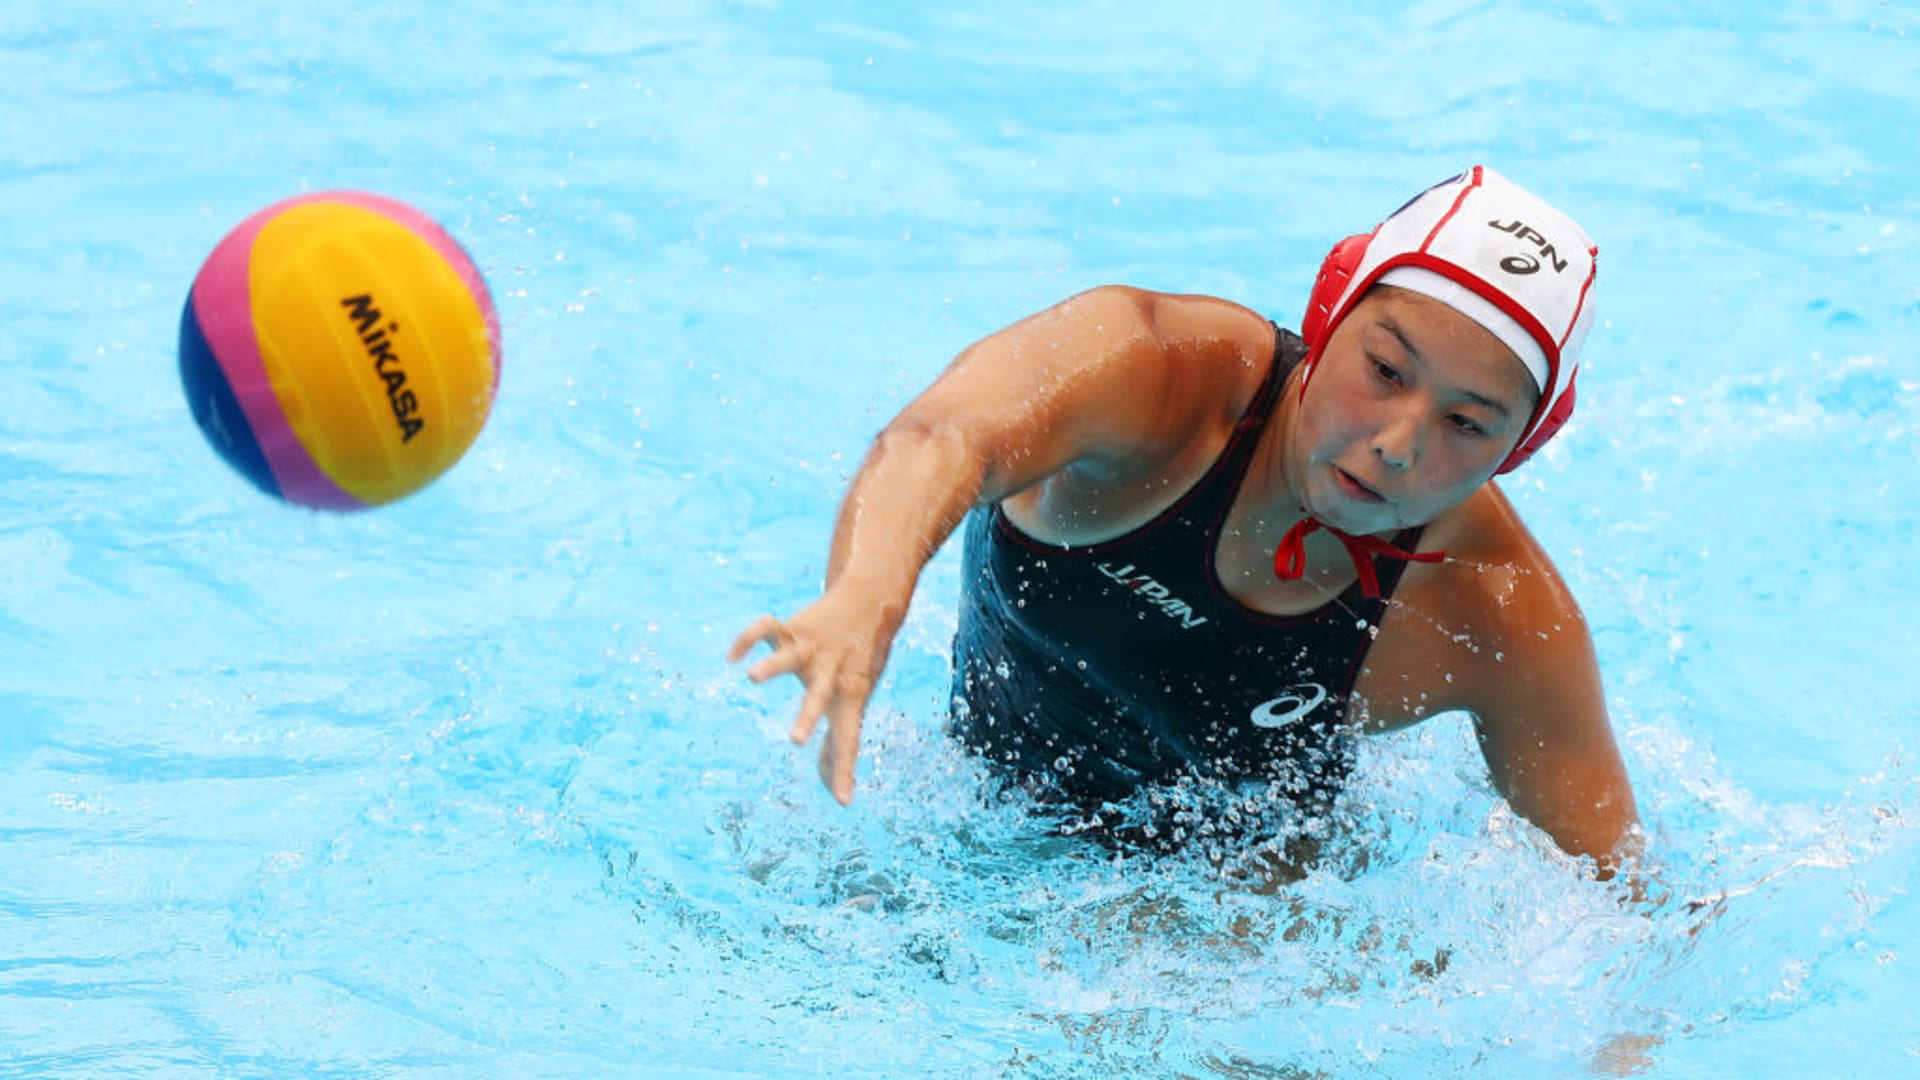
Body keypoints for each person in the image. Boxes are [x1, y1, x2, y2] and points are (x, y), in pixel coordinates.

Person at [731, 166, 1641, 879]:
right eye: (1388, 370)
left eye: (1467, 424)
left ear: (1517, 450)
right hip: (963, 811)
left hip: (1222, 939)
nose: (1399, 443)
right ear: (1330, 313)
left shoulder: (1494, 614)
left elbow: (1614, 896)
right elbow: (943, 434)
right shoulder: (1157, 381)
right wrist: (870, 590)